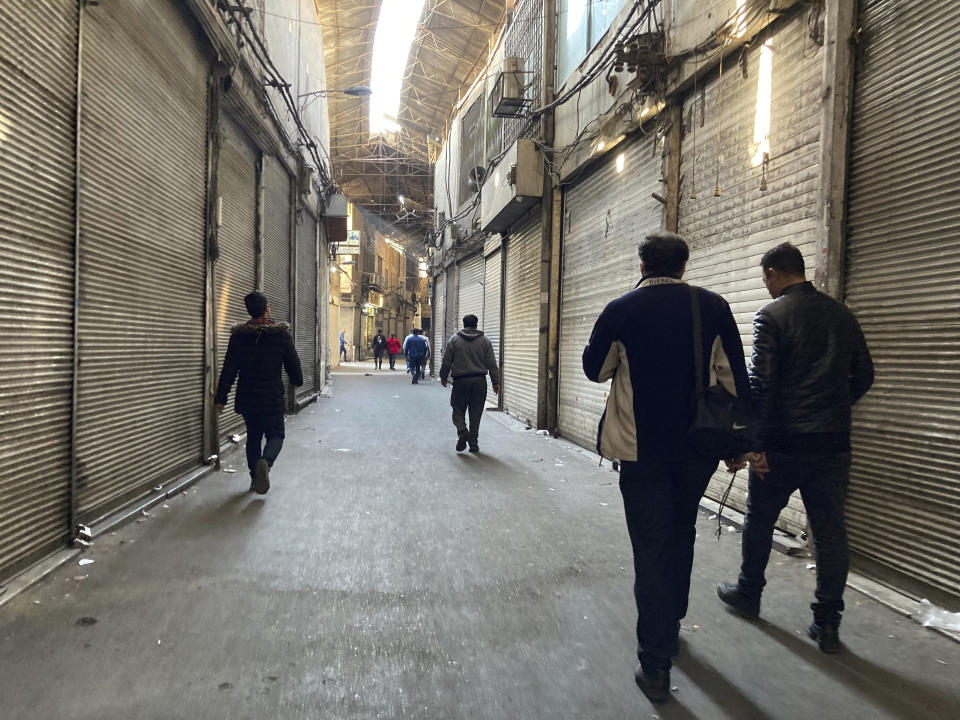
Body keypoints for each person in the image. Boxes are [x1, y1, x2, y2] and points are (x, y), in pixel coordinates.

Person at [582, 232, 749, 704]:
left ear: (642, 266)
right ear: (683, 266)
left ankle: (655, 663)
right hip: (696, 449)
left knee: (651, 546)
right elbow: (734, 379)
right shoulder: (712, 307)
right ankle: (671, 623)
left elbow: (595, 370)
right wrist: (740, 443)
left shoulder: (622, 309)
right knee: (681, 533)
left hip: (641, 451)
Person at [717, 242, 874, 654]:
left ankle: (749, 595)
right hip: (833, 445)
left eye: (764, 278)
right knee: (830, 532)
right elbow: (865, 376)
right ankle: (826, 625)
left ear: (772, 273)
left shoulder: (771, 316)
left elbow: (762, 385)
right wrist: (834, 408)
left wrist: (757, 444)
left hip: (783, 445)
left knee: (760, 518)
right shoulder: (842, 314)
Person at [215, 291, 303, 495]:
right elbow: (293, 362)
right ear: (266, 309)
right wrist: (297, 380)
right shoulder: (280, 335)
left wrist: (221, 398)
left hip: (247, 397)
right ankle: (266, 462)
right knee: (276, 435)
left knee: (253, 437)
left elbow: (229, 369)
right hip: (271, 396)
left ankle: (255, 478)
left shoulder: (239, 337)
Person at [439, 314, 500, 453]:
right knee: (476, 412)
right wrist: (495, 381)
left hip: (461, 381)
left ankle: (462, 431)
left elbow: (447, 360)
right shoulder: (485, 341)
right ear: (476, 325)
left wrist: (443, 376)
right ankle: (474, 443)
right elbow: (492, 363)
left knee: (458, 409)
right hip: (479, 381)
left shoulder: (454, 340)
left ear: (463, 324)